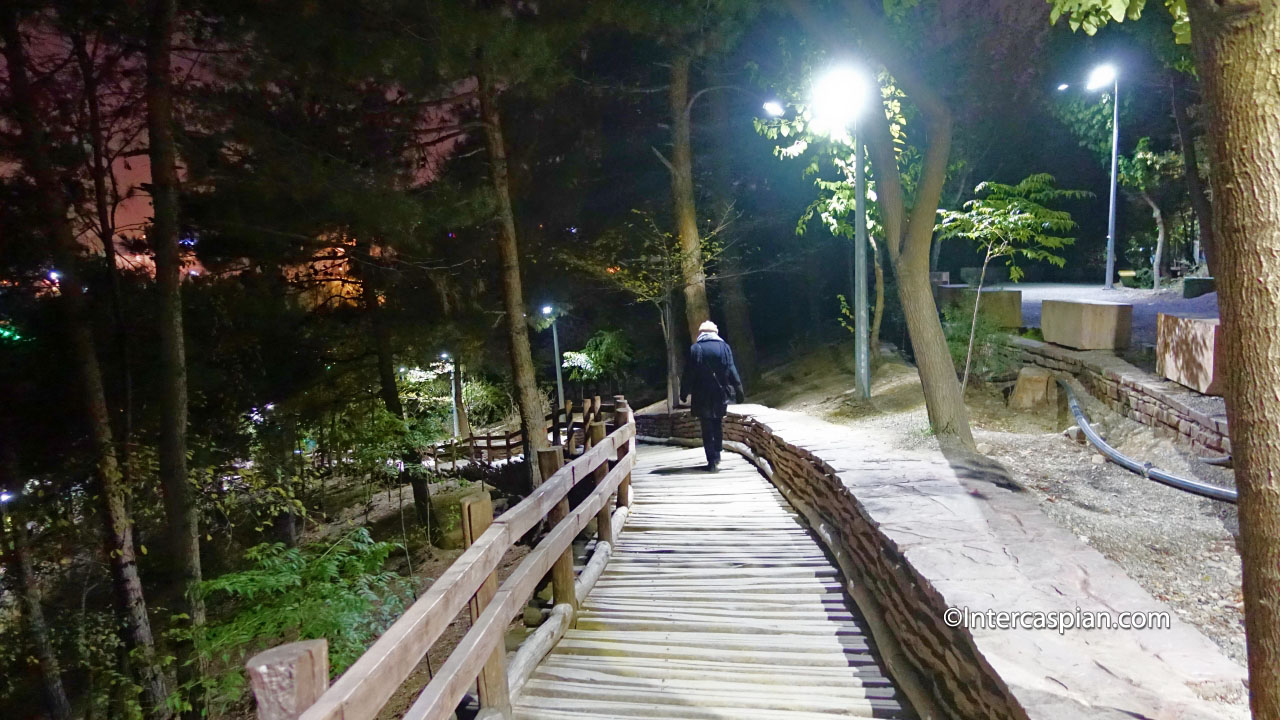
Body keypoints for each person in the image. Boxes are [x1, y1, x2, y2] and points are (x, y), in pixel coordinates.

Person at [679, 320, 745, 471]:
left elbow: (689, 373)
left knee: (706, 425)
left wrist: (684, 392)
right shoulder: (724, 347)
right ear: (715, 332)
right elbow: (731, 368)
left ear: (701, 333)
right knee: (717, 422)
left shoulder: (695, 349)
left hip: (701, 393)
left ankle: (711, 459)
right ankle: (717, 452)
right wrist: (739, 389)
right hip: (720, 392)